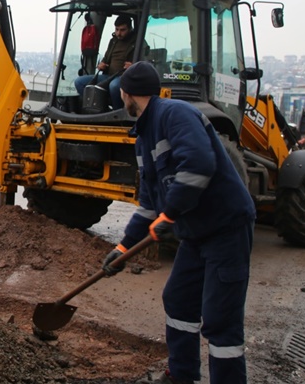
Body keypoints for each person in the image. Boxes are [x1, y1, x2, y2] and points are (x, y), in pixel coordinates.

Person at [102, 61, 256, 384]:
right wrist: (122, 248)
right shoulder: (144, 137)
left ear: (128, 94)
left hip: (226, 227)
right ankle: (183, 376)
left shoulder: (175, 114)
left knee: (220, 319)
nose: (121, 99)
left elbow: (200, 164)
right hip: (196, 234)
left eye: (122, 94)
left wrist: (170, 214)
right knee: (178, 299)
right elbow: (148, 206)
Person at [74, 15, 135, 109]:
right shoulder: (113, 41)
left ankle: (117, 112)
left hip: (124, 77)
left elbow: (147, 63)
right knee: (79, 82)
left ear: (130, 29)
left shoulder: (137, 42)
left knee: (114, 86)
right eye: (117, 29)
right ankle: (100, 108)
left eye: (123, 30)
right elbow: (106, 58)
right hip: (109, 76)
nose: (119, 33)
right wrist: (101, 65)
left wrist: (134, 66)